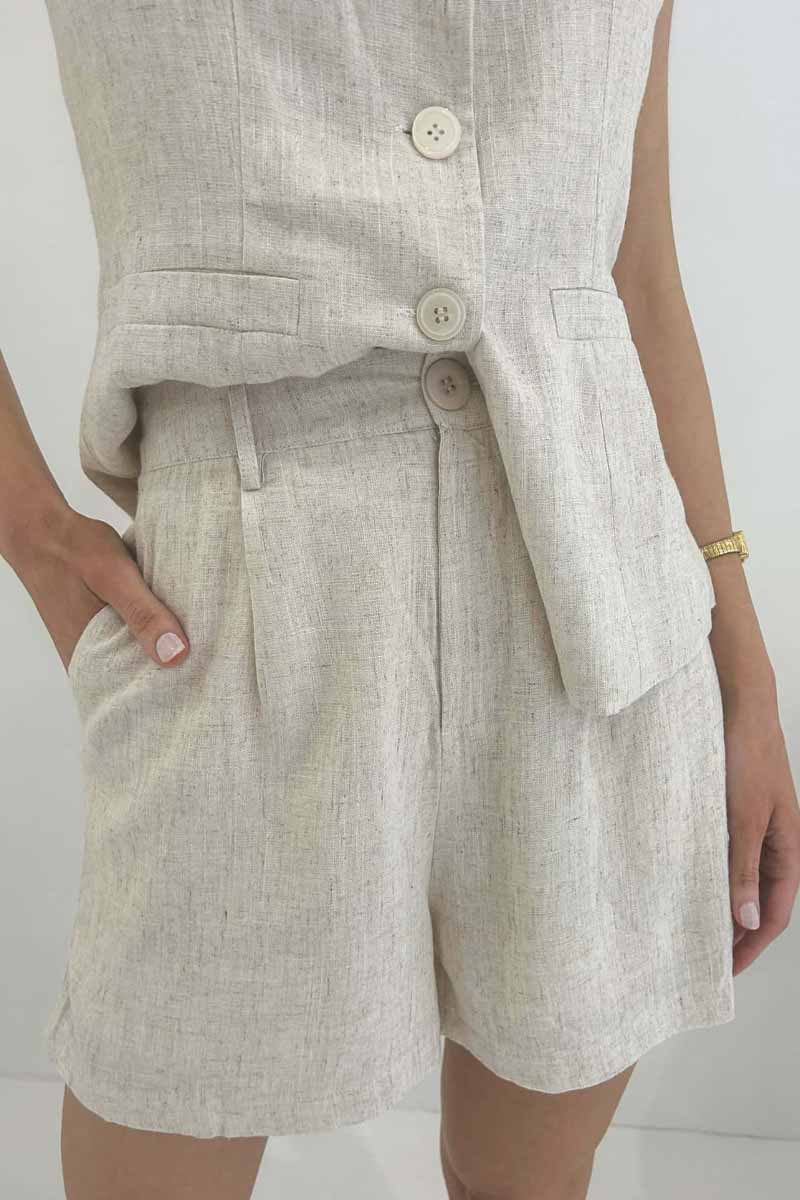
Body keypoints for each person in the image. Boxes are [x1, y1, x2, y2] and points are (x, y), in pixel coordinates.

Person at [3, 1, 799, 1197]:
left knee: (522, 1181)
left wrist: (742, 668)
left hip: (599, 622)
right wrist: (29, 528)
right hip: (238, 617)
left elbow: (632, 267)